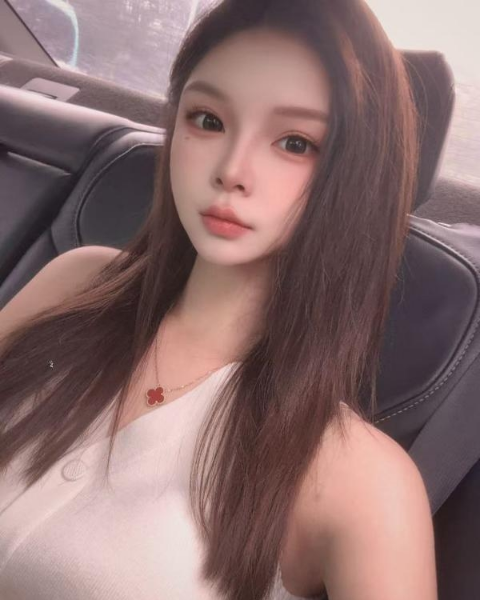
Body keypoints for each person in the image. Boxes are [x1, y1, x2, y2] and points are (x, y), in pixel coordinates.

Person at [0, 0, 437, 599]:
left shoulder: (362, 481)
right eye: (207, 120)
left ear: (357, 175)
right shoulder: (75, 282)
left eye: (295, 142)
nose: (232, 169)